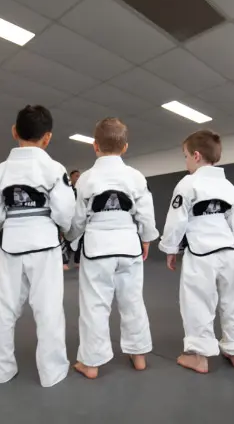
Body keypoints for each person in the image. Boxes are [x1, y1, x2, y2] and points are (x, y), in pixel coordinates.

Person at [0, 105, 75, 388]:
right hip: (44, 243)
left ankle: (3, 370)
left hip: (11, 242)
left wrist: (8, 223)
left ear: (14, 132)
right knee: (48, 310)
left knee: (5, 309)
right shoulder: (53, 168)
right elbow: (64, 211)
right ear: (47, 138)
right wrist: (58, 226)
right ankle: (51, 372)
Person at [66, 118, 158, 379]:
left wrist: (71, 238)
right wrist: (146, 239)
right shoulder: (135, 177)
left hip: (97, 247)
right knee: (133, 301)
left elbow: (77, 219)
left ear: (95, 146)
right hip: (129, 245)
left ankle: (91, 363)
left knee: (95, 305)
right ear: (125, 147)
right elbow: (146, 216)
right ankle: (138, 355)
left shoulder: (86, 178)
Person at [160, 129, 234, 373]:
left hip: (201, 253)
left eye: (186, 156)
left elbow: (176, 221)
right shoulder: (229, 187)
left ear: (197, 156)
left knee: (198, 302)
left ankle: (199, 356)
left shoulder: (188, 183)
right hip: (229, 251)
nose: (186, 161)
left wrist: (171, 249)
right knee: (233, 301)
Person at [62, 170, 82, 271]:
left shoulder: (82, 189)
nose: (78, 178)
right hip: (69, 216)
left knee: (80, 238)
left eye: (79, 176)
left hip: (79, 216)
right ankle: (65, 261)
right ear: (71, 177)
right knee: (67, 239)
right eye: (76, 176)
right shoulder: (67, 189)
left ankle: (77, 261)